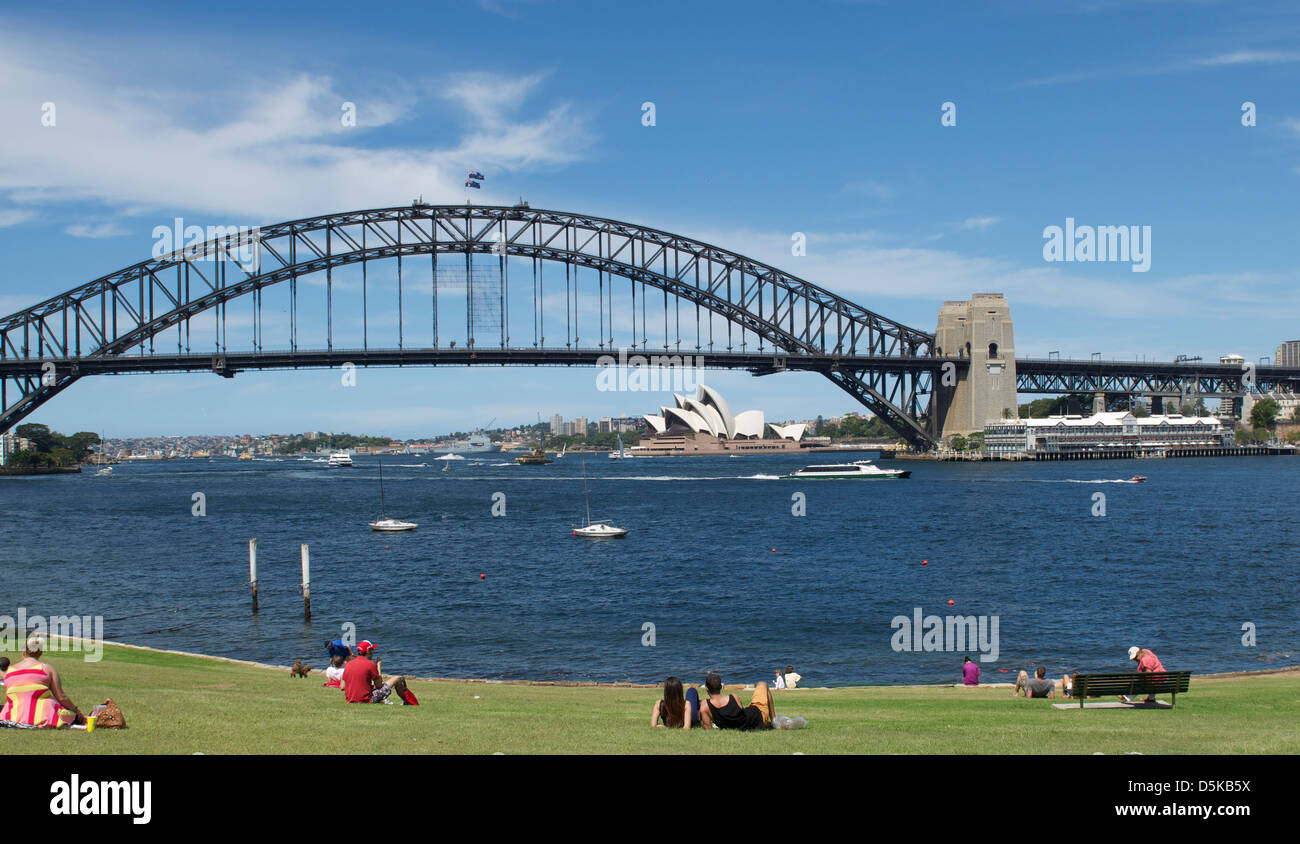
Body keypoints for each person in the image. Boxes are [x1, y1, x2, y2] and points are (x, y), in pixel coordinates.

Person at [0, 634, 84, 727]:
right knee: (69, 715)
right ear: (41, 652)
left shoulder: (9, 671)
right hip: (43, 716)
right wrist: (76, 711)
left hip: (11, 717)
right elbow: (61, 697)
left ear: (23, 651)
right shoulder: (46, 669)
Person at [699, 673, 774, 730]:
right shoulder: (734, 697)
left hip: (752, 721)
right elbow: (741, 715)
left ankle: (770, 723)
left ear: (706, 689)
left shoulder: (705, 706)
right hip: (758, 716)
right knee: (762, 684)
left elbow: (707, 727)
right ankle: (774, 722)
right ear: (721, 687)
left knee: (750, 709)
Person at [340, 640, 408, 704]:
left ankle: (382, 701)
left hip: (350, 699)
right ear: (367, 651)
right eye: (372, 650)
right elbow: (379, 685)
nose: (373, 652)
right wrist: (378, 665)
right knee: (397, 678)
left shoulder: (349, 664)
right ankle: (406, 701)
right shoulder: (370, 664)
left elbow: (342, 687)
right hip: (366, 699)